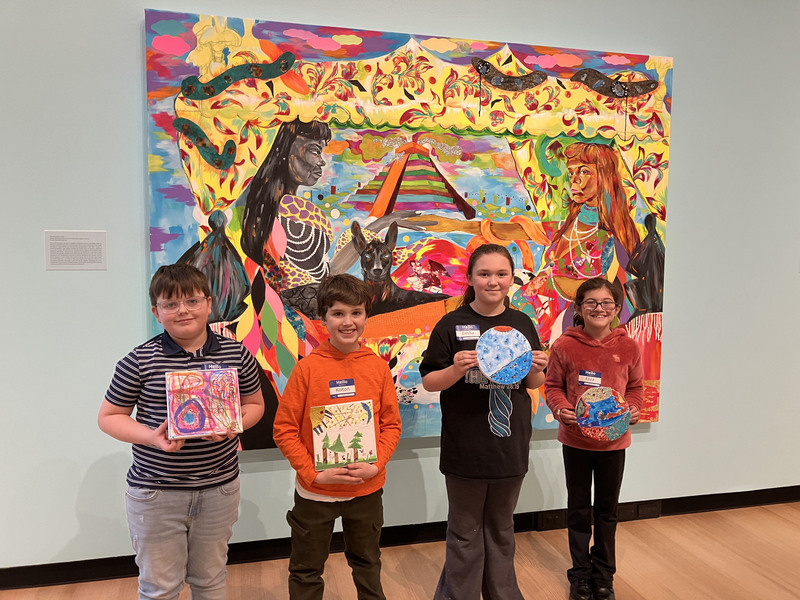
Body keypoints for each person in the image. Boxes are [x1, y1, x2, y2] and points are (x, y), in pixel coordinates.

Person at [97, 263, 265, 600]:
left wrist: (233, 425)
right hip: (156, 492)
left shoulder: (236, 353)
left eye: (192, 300)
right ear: (156, 312)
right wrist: (151, 437)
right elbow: (110, 416)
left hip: (219, 488)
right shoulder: (139, 360)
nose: (183, 310)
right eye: (170, 304)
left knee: (211, 580)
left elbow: (255, 405)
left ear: (208, 303)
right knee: (159, 588)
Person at [419, 243, 548, 600]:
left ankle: (502, 594)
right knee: (464, 532)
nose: (493, 281)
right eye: (485, 273)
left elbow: (533, 383)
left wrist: (538, 366)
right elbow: (430, 381)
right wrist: (455, 369)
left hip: (510, 447)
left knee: (502, 530)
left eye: (501, 274)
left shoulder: (522, 323)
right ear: (470, 278)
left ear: (512, 278)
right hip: (466, 448)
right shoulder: (451, 324)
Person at [272, 273, 402, 600]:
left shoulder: (377, 367)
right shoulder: (307, 369)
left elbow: (391, 425)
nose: (348, 322)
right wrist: (313, 473)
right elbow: (284, 429)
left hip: (365, 488)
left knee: (368, 563)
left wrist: (377, 465)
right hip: (316, 492)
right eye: (338, 313)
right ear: (323, 318)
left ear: (366, 316)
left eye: (356, 313)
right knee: (306, 568)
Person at [544, 277, 644, 600]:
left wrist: (634, 408)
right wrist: (561, 409)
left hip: (614, 443)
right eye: (590, 302)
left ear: (616, 308)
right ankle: (580, 576)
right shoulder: (564, 346)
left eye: (606, 303)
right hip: (575, 442)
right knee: (578, 510)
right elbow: (552, 387)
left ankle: (603, 576)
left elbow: (636, 388)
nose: (599, 308)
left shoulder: (629, 347)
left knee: (606, 511)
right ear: (579, 308)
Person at [527, 142, 641, 342]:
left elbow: (610, 297)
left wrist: (555, 280)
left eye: (584, 171)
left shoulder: (611, 238)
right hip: (537, 315)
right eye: (571, 172)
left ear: (604, 177)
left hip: (570, 328)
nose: (575, 180)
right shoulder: (567, 224)